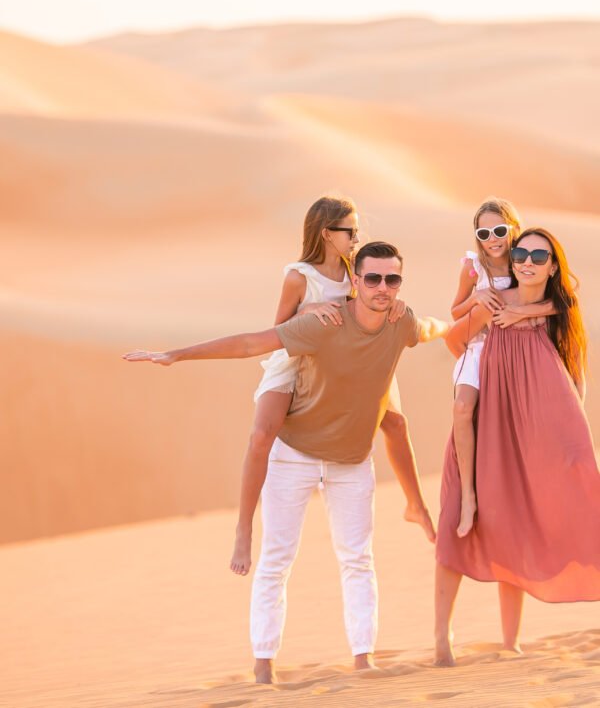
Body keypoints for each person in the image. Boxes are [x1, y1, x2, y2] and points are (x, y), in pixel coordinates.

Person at [124, 241, 448, 683]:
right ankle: (263, 664)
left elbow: (430, 328)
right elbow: (250, 344)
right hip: (294, 456)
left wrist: (468, 318)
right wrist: (176, 354)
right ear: (355, 282)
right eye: (373, 278)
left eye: (392, 279)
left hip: (351, 463)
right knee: (277, 559)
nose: (383, 288)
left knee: (357, 559)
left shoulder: (400, 321)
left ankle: (363, 658)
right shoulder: (324, 324)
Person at [227, 196, 435, 577]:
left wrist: (397, 307)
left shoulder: (354, 269)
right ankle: (244, 528)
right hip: (297, 358)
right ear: (327, 233)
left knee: (396, 425)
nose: (356, 238)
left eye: (357, 231)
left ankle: (416, 505)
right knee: (261, 434)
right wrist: (307, 310)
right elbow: (279, 327)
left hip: (349, 361)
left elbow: (373, 300)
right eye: (350, 232)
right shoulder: (299, 276)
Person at [435, 228, 600, 667]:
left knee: (543, 508)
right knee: (473, 515)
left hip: (541, 420)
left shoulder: (561, 310)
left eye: (537, 255)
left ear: (551, 265)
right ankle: (443, 640)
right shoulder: (492, 301)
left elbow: (577, 369)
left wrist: (574, 429)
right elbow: (454, 341)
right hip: (492, 418)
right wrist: (484, 317)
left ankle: (512, 639)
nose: (526, 260)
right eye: (521, 252)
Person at [449, 198, 553, 538]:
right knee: (463, 408)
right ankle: (468, 497)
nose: (492, 239)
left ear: (512, 228)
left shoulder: (526, 258)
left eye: (498, 230)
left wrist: (519, 313)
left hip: (519, 351)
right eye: (484, 232)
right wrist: (477, 299)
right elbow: (455, 312)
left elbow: (560, 300)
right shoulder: (472, 267)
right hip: (479, 348)